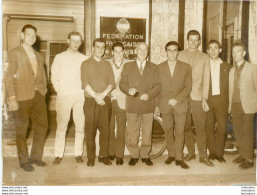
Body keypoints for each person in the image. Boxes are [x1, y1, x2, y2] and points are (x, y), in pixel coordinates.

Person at [5, 24, 48, 172]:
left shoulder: (39, 55)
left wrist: (43, 90)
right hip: (21, 96)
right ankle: (24, 161)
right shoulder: (14, 53)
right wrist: (11, 98)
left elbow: (42, 75)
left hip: (38, 95)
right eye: (28, 34)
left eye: (34, 34)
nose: (31, 37)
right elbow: (9, 76)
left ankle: (35, 157)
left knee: (42, 126)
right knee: (22, 130)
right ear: (22, 36)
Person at [120, 42, 160, 166]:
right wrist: (128, 90)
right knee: (132, 132)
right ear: (135, 51)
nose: (142, 52)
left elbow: (158, 85)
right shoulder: (127, 66)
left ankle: (145, 155)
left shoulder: (153, 67)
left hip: (147, 104)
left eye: (145, 50)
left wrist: (149, 95)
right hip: (132, 104)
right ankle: (134, 155)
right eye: (140, 49)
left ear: (147, 52)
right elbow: (122, 84)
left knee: (147, 131)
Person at [178, 30, 213, 166]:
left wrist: (204, 98)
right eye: (190, 40)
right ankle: (191, 152)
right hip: (183, 96)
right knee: (185, 126)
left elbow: (206, 79)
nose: (193, 42)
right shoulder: (179, 55)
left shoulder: (205, 57)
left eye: (196, 40)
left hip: (198, 96)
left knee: (200, 127)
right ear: (187, 41)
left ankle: (203, 156)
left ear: (199, 41)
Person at [51, 32, 87, 165]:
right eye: (73, 40)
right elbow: (54, 76)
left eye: (78, 41)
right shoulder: (59, 57)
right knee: (61, 127)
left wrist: (83, 93)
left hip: (80, 97)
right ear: (68, 41)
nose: (76, 43)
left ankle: (78, 153)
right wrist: (60, 91)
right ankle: (58, 154)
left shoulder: (84, 58)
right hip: (64, 96)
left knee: (80, 126)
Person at [155, 41, 192, 169]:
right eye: (169, 50)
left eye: (174, 50)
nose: (172, 53)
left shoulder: (186, 67)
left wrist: (177, 99)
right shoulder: (158, 68)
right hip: (164, 104)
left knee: (180, 131)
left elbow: (188, 87)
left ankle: (179, 158)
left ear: (178, 52)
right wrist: (156, 105)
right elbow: (156, 88)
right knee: (168, 130)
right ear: (166, 52)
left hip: (180, 104)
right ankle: (171, 154)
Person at [81, 38, 115, 167]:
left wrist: (103, 95)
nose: (100, 49)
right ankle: (91, 157)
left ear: (105, 49)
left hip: (105, 100)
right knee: (90, 131)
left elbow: (112, 82)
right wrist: (96, 96)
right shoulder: (85, 64)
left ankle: (104, 156)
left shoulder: (107, 65)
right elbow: (85, 83)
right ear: (93, 48)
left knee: (105, 130)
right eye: (98, 47)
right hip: (90, 100)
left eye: (102, 47)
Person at [229, 43, 257, 169]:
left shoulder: (252, 68)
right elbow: (230, 90)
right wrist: (229, 106)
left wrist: (254, 103)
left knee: (247, 132)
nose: (235, 54)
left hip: (248, 105)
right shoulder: (232, 70)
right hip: (235, 104)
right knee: (238, 132)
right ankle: (242, 154)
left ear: (244, 53)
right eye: (233, 52)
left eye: (238, 51)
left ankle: (249, 159)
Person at [205, 40, 231, 163]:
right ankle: (212, 152)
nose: (213, 50)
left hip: (222, 100)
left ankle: (219, 154)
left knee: (222, 128)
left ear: (220, 50)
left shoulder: (227, 67)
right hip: (208, 100)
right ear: (207, 51)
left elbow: (230, 87)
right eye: (211, 48)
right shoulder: (204, 66)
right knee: (209, 127)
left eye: (216, 48)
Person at [107, 42, 129, 165]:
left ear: (124, 52)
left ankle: (119, 155)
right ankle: (111, 152)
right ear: (112, 52)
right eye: (116, 51)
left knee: (121, 128)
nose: (118, 54)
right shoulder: (106, 63)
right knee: (110, 127)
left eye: (121, 51)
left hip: (123, 99)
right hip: (109, 98)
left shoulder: (129, 64)